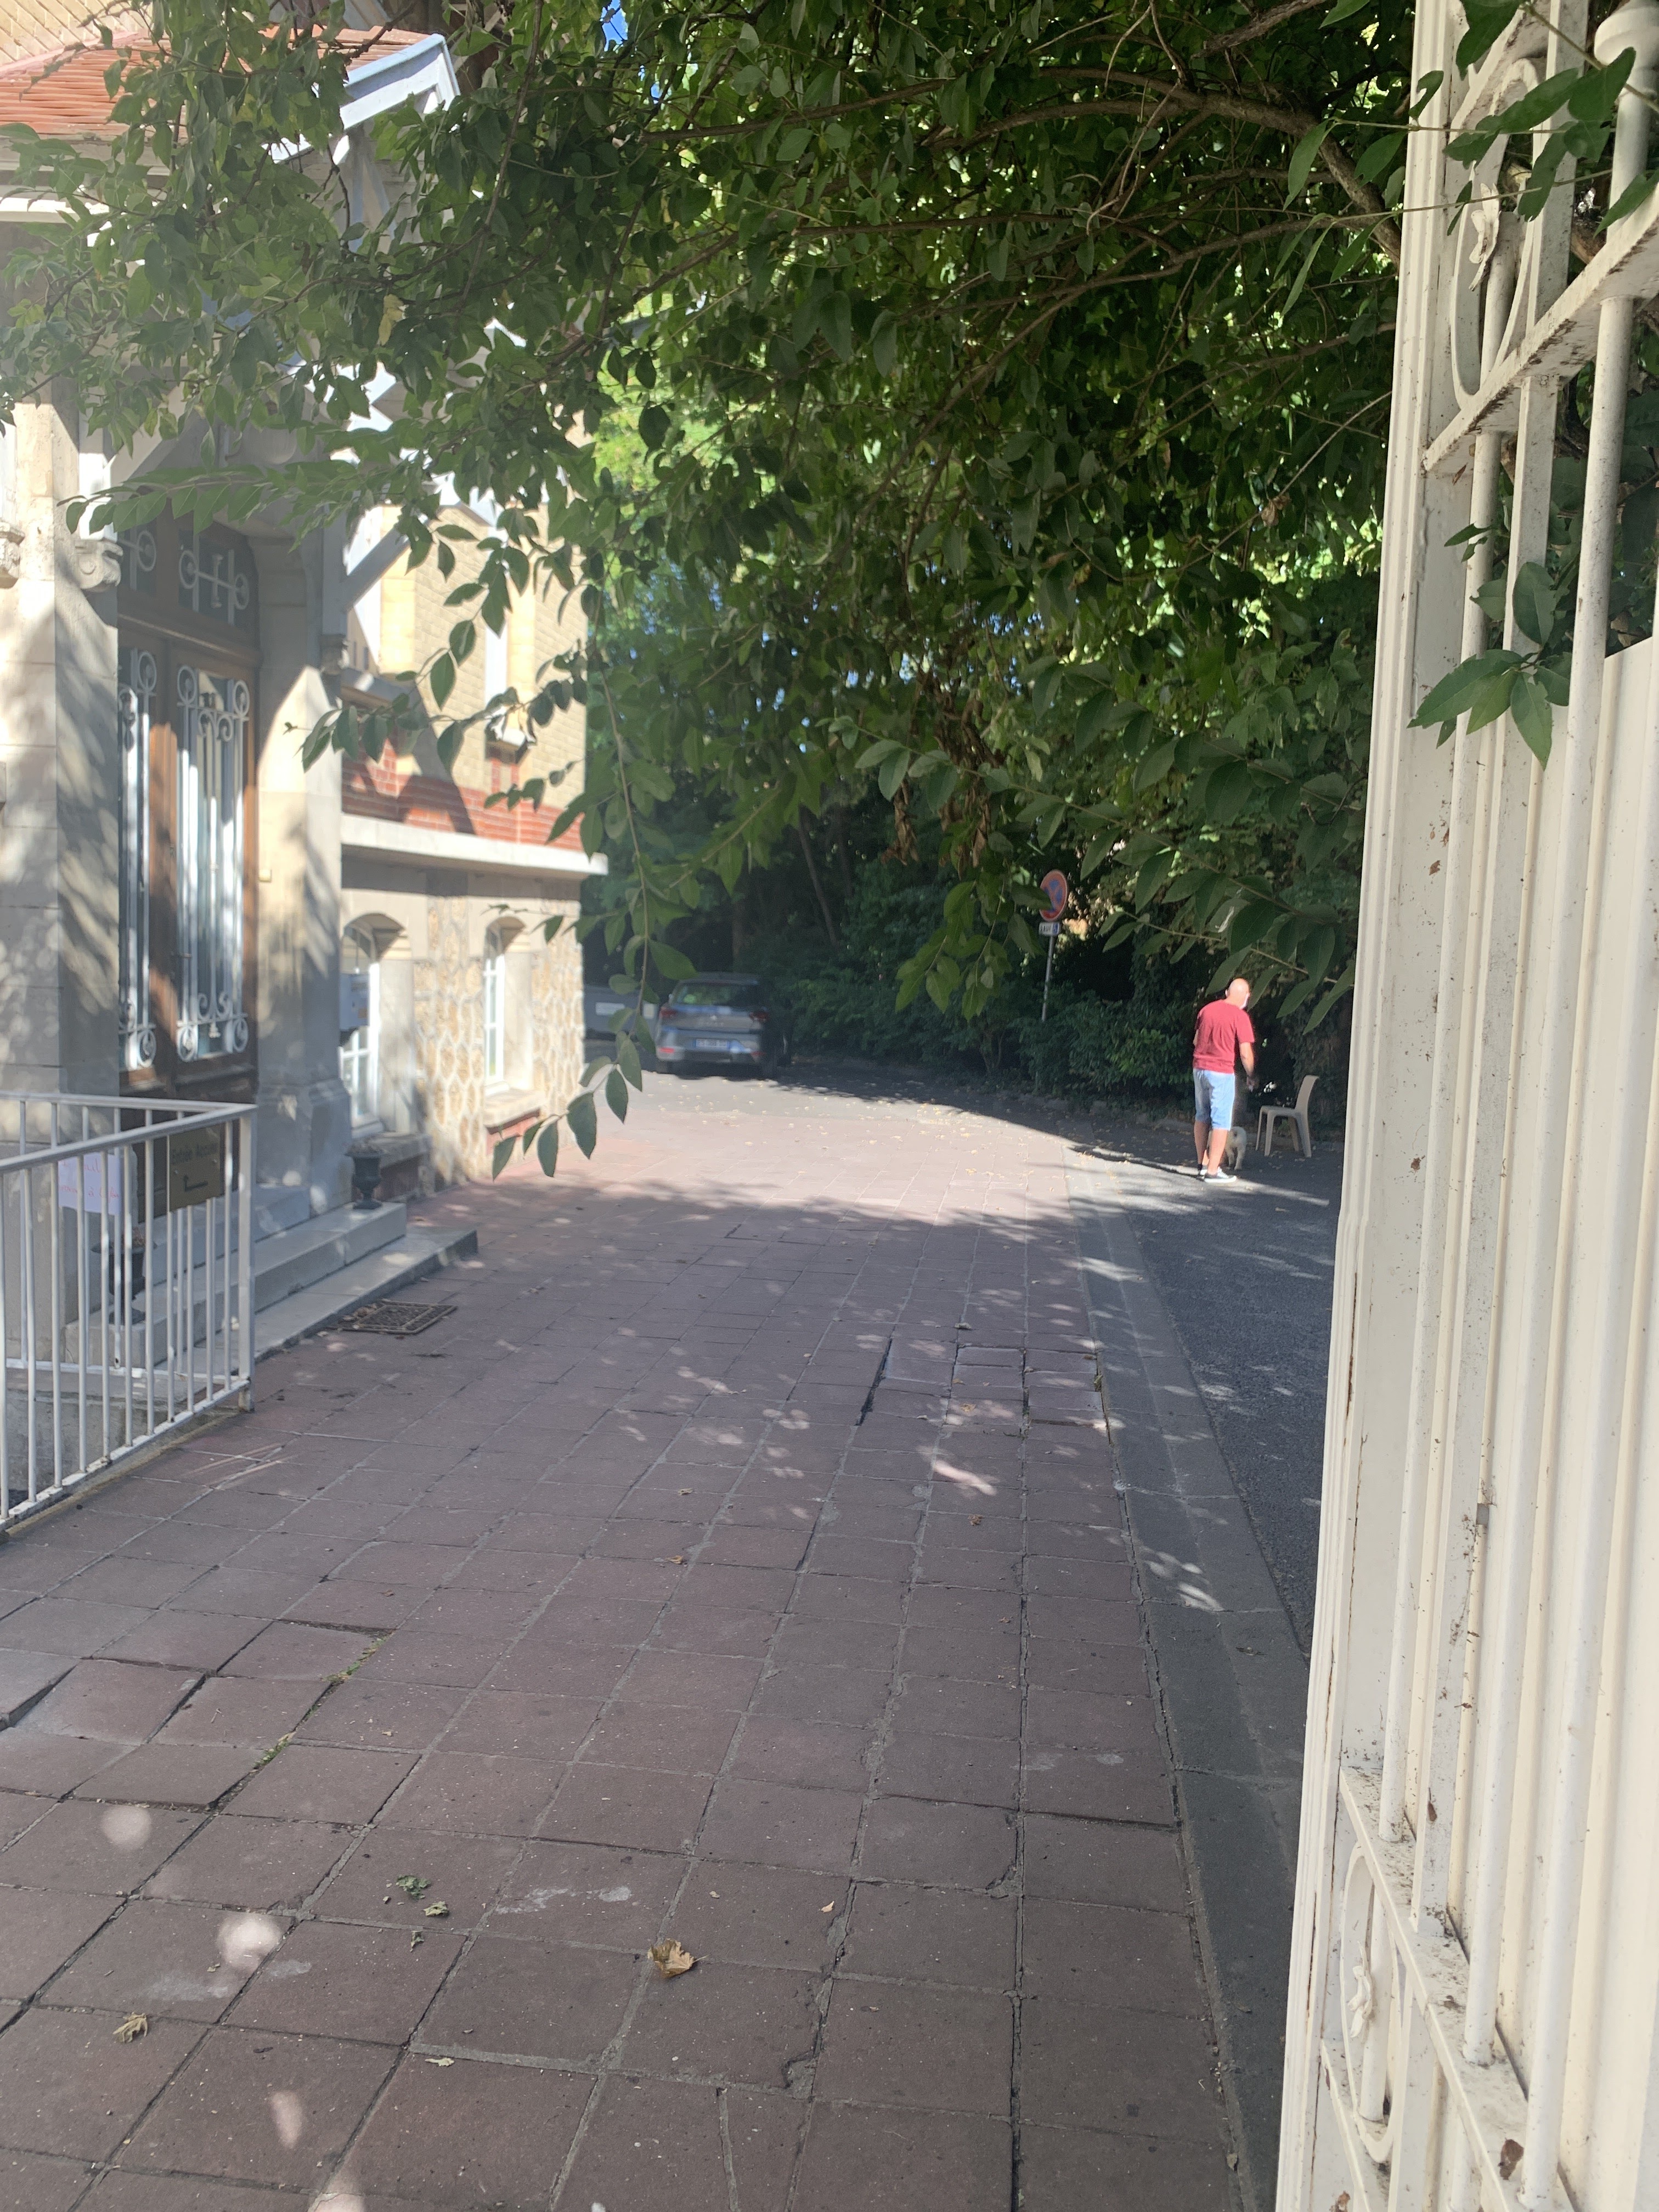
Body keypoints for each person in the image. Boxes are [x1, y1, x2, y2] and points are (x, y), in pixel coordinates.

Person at [1193, 977, 1255, 1183]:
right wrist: (1251, 1075)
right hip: (1221, 1072)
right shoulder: (1240, 1016)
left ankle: (1202, 1164)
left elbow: (1196, 1040)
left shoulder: (1206, 1010)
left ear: (1227, 993)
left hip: (1199, 1069)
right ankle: (1213, 1171)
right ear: (1247, 997)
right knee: (1221, 1121)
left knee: (1202, 1116)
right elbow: (1245, 1053)